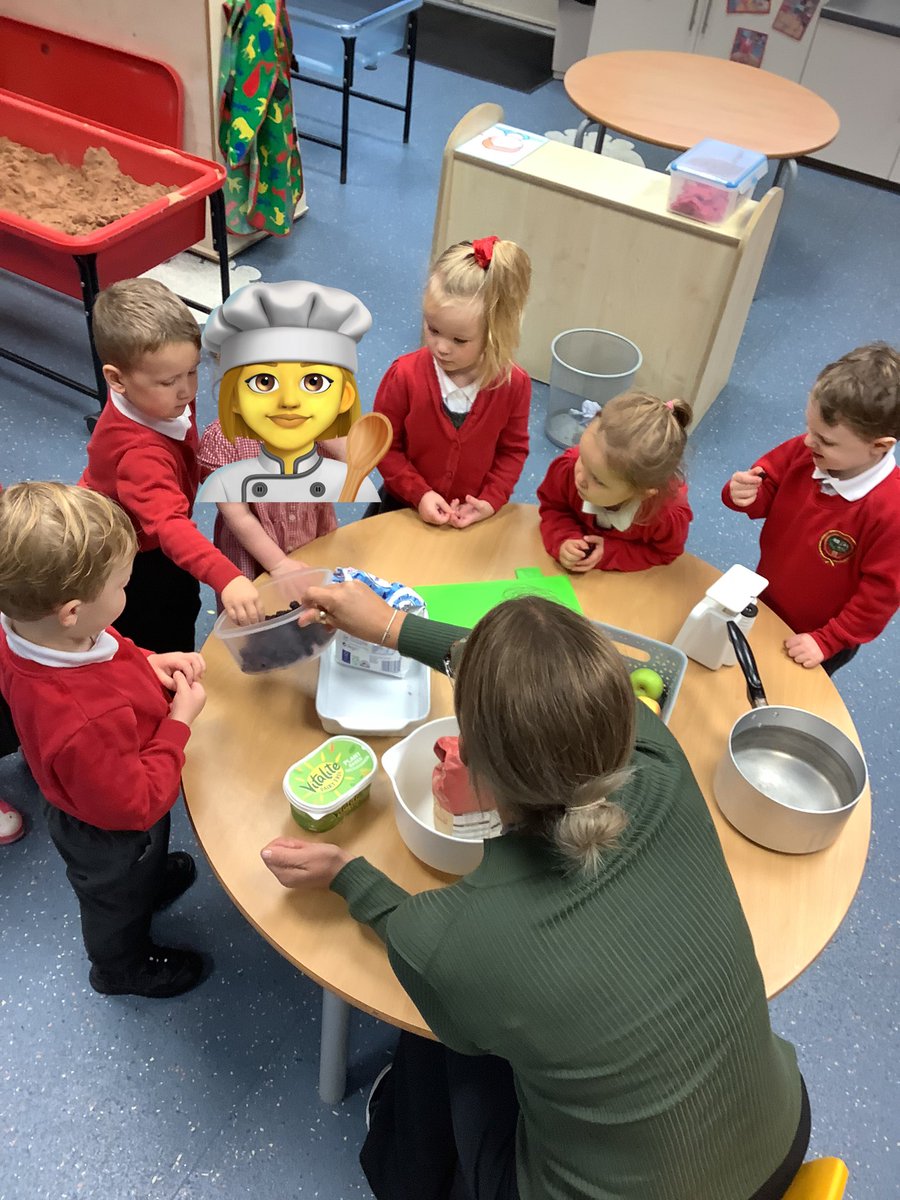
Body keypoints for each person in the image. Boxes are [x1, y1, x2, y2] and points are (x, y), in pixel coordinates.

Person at [262, 581, 810, 1200]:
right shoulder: (657, 750)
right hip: (781, 1138)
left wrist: (345, 875)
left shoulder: (451, 937)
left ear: (485, 776)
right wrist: (388, 624)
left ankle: (406, 1167)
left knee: (437, 1038)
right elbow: (538, 690)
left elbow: (416, 937)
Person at [0, 482, 209, 997]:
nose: (126, 595)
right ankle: (119, 968)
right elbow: (136, 806)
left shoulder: (30, 630)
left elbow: (109, 645)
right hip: (108, 826)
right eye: (121, 587)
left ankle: (150, 881)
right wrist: (178, 723)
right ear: (71, 611)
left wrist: (148, 662)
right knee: (114, 899)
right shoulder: (81, 720)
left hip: (107, 778)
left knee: (143, 865)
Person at [79, 278, 262, 653]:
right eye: (169, 381)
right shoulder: (139, 455)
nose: (187, 391)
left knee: (183, 600)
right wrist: (227, 578)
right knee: (159, 631)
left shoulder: (160, 400)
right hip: (132, 560)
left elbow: (181, 452)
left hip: (153, 531)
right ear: (117, 379)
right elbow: (167, 524)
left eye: (192, 371)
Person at [723, 342, 900, 675]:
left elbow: (879, 598)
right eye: (809, 428)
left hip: (819, 637)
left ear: (879, 447)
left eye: (826, 440)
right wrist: (743, 493)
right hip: (765, 600)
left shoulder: (891, 511)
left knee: (787, 688)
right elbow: (767, 489)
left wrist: (828, 640)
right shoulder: (807, 453)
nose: (807, 442)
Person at [367, 236, 532, 527]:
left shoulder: (513, 384)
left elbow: (512, 451)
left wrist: (491, 500)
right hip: (402, 507)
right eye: (433, 329)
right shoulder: (404, 375)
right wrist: (419, 494)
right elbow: (384, 445)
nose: (441, 347)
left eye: (459, 340)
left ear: (496, 335)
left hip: (471, 516)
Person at [196, 280, 380, 504]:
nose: (290, 401)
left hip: (316, 532)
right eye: (265, 382)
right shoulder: (224, 439)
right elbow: (235, 512)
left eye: (312, 382)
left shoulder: (320, 423)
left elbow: (351, 471)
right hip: (249, 538)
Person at [537, 392, 693, 572]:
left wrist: (609, 552)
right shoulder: (569, 468)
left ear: (642, 493)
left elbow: (664, 552)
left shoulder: (665, 516)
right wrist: (564, 538)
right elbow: (554, 508)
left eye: (598, 480)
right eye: (583, 458)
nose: (580, 477)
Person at [197, 417, 340, 589]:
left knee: (319, 600)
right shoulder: (226, 437)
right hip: (254, 550)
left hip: (313, 536)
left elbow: (353, 463)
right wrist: (278, 563)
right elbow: (238, 516)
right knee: (257, 610)